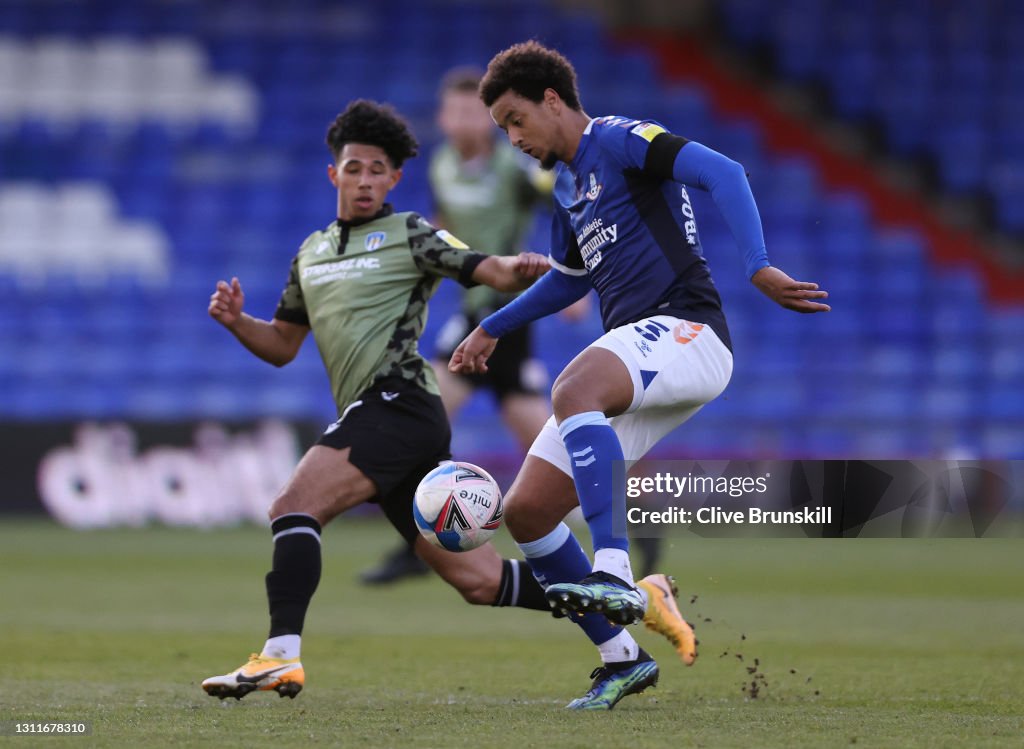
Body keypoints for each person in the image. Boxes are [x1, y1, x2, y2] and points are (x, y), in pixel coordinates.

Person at [200, 99, 696, 701]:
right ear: (334, 174)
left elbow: (481, 266)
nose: (364, 180)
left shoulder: (409, 233)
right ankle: (636, 613)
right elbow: (282, 345)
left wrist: (522, 268)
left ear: (395, 178)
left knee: (292, 507)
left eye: (377, 170)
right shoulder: (309, 254)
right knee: (480, 582)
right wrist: (236, 323)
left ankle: (279, 656)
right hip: (379, 420)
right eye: (353, 168)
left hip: (398, 403)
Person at [450, 41, 831, 710]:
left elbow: (725, 171)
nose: (513, 138)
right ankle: (621, 657)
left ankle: (616, 568)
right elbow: (568, 279)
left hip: (690, 332)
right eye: (503, 128)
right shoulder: (566, 188)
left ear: (553, 100)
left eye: (516, 120)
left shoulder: (619, 139)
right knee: (528, 511)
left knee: (572, 389)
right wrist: (492, 326)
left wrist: (758, 264)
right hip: (634, 350)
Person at [358, 66, 561, 586]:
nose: (462, 120)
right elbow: (443, 225)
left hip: (507, 317)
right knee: (429, 419)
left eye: (473, 110)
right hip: (477, 315)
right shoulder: (443, 165)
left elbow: (565, 208)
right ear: (443, 117)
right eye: (454, 110)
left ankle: (626, 519)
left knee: (423, 420)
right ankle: (421, 543)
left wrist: (570, 274)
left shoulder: (516, 168)